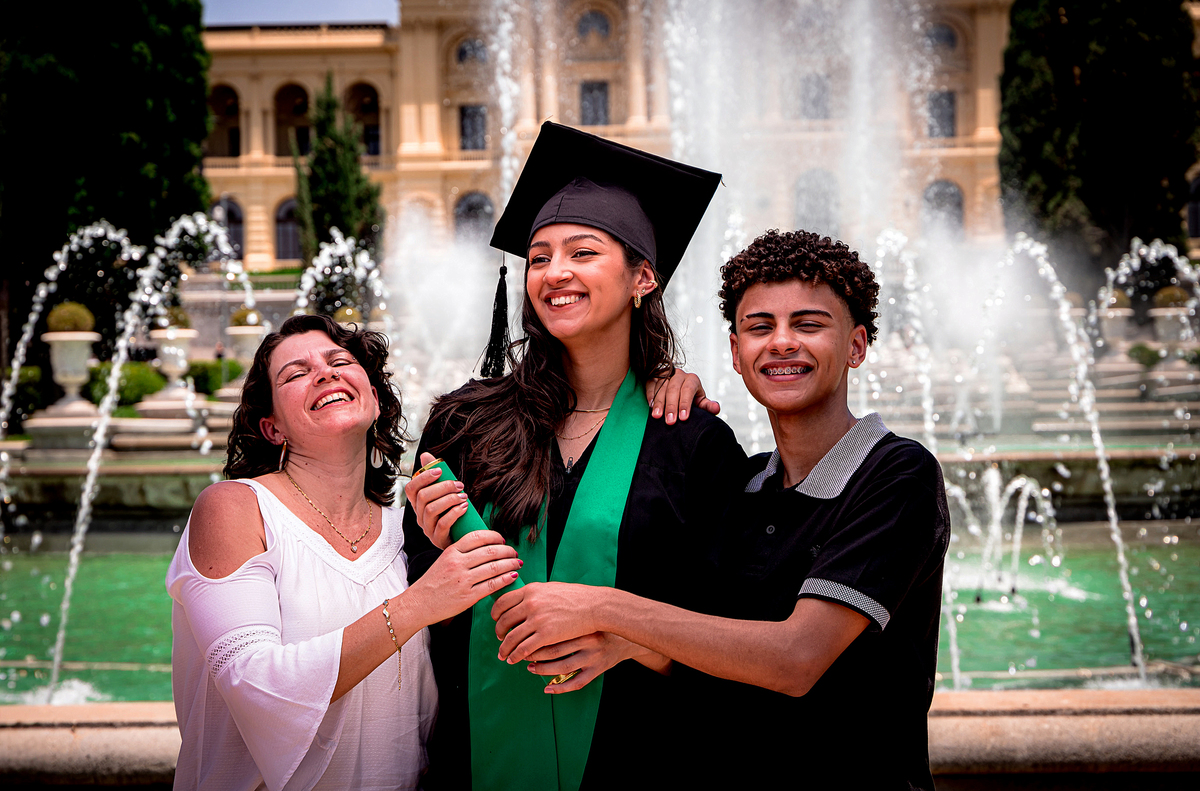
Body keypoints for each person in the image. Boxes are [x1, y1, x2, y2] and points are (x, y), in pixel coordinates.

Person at [493, 230, 951, 789]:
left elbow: (795, 659)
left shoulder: (897, 474)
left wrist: (607, 611)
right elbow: (712, 645)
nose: (782, 343)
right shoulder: (745, 485)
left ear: (856, 346)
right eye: (760, 328)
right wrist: (633, 644)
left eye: (808, 324)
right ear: (736, 354)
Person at [402, 122, 747, 790]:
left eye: (582, 252)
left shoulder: (691, 443)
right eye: (538, 257)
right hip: (477, 759)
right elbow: (420, 604)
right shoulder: (464, 424)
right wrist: (431, 540)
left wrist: (630, 637)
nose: (555, 273)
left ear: (643, 277)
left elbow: (730, 631)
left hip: (639, 759)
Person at [166, 314, 522, 791]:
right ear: (272, 428)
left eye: (340, 361)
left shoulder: (409, 529)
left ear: (375, 399)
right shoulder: (236, 508)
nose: (325, 373)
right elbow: (253, 683)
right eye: (296, 373)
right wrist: (423, 601)